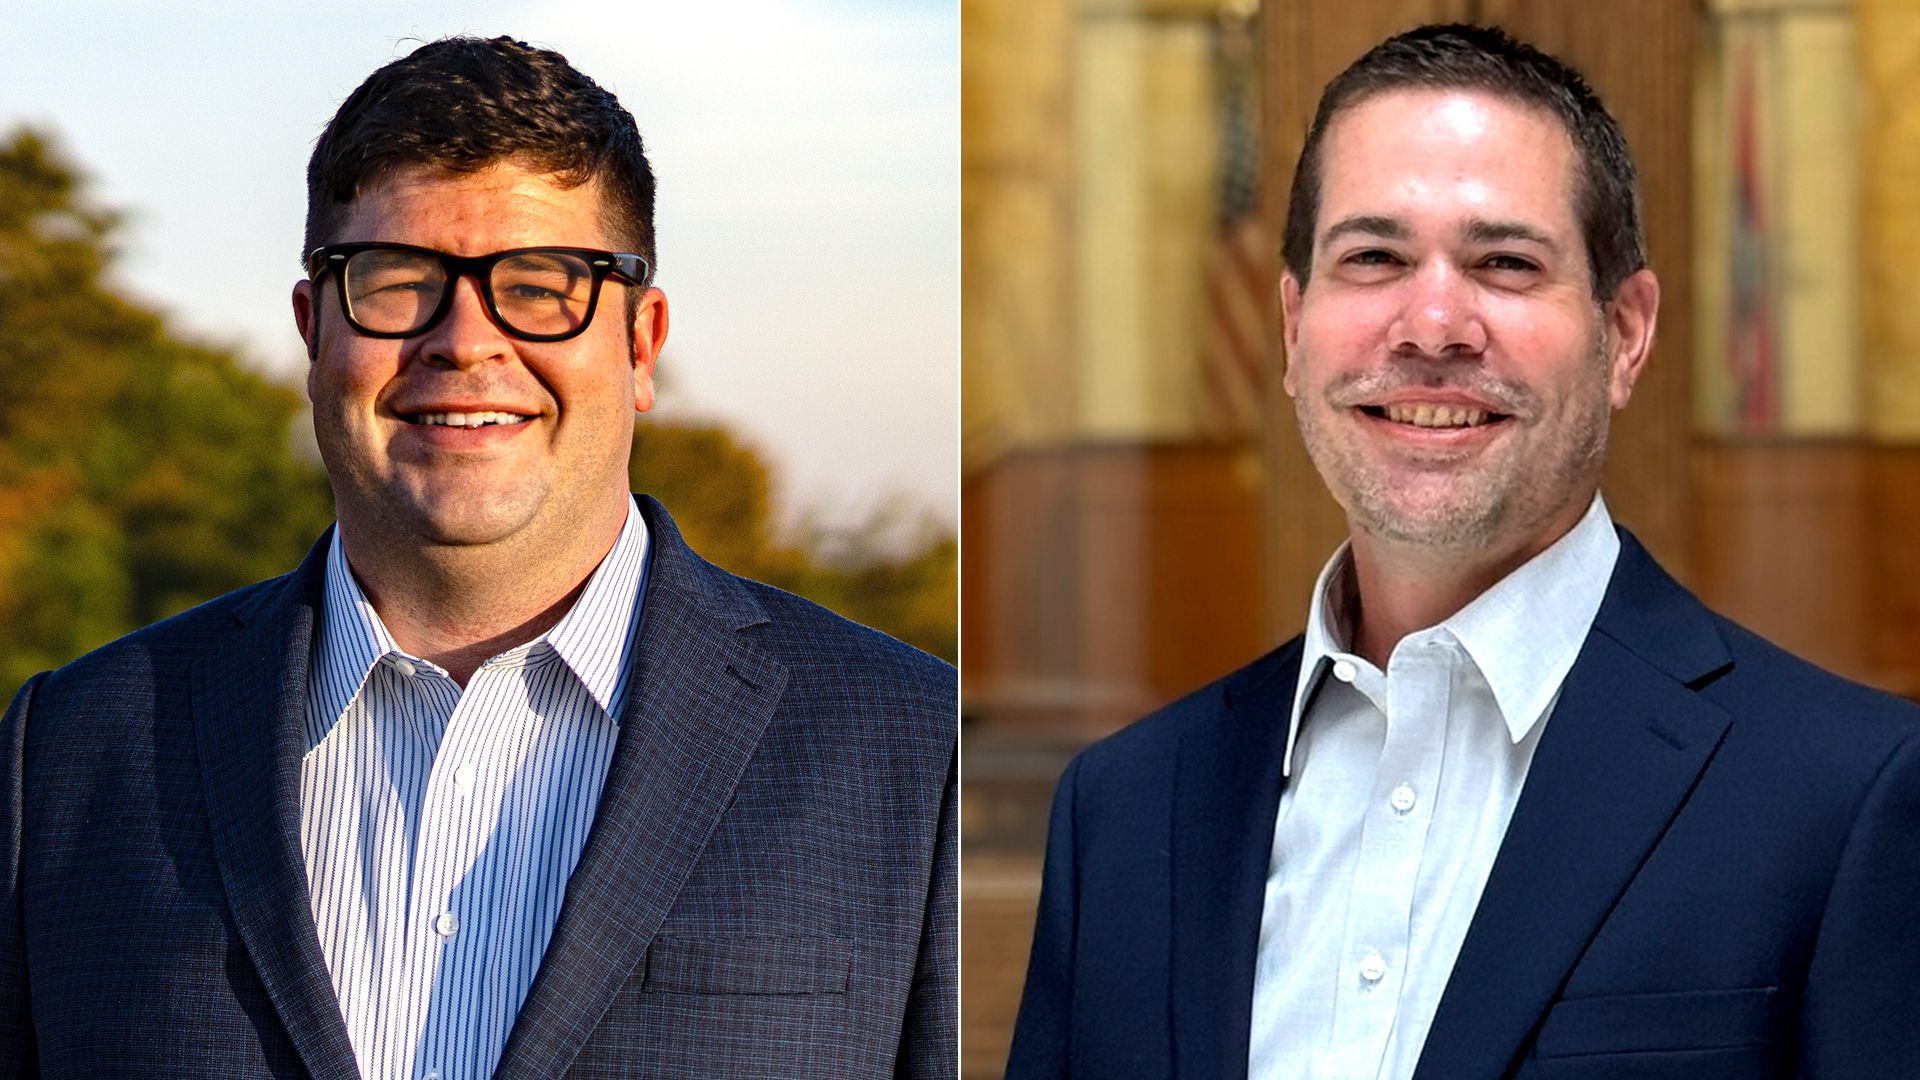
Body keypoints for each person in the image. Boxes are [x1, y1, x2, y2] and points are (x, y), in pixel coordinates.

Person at [0, 36, 954, 1080]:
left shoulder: (912, 753)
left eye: (540, 285)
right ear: (314, 332)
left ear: (641, 344)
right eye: (398, 280)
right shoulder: (67, 756)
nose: (464, 340)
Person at [1005, 23, 1920, 1079]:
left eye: (1505, 263)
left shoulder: (1850, 797)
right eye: (1374, 258)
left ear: (1626, 334)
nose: (1433, 324)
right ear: (1293, 330)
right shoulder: (1120, 813)